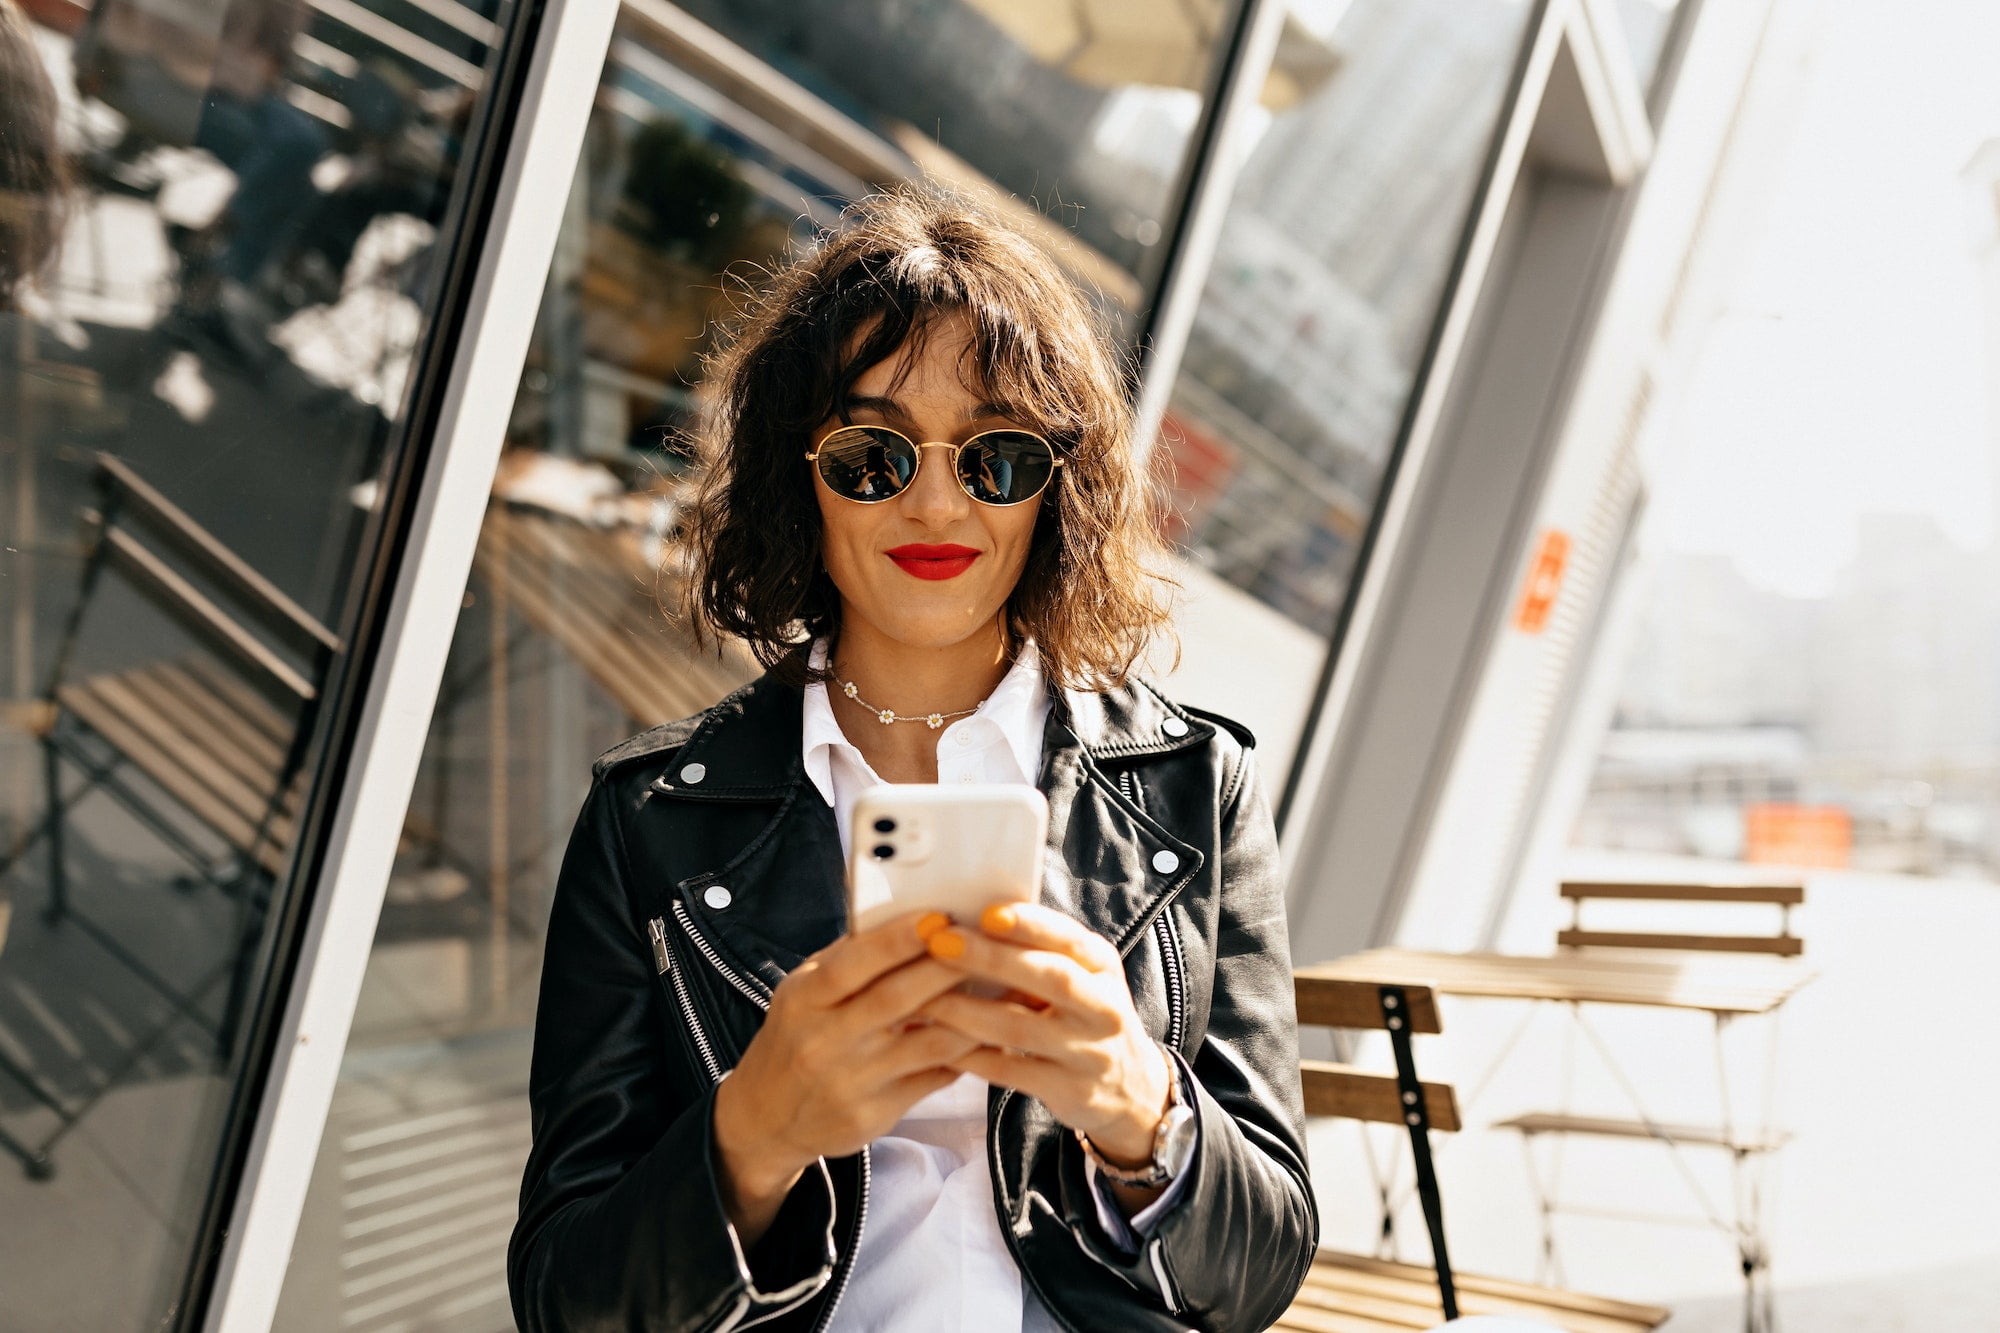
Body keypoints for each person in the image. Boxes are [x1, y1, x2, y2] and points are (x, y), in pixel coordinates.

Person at [508, 186, 1318, 1331]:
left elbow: (1262, 1267)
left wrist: (1141, 1112)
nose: (936, 501)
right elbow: (566, 1303)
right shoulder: (650, 822)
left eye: (995, 456)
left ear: (1056, 489)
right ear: (802, 476)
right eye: (873, 453)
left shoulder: (1193, 790)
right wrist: (755, 1136)